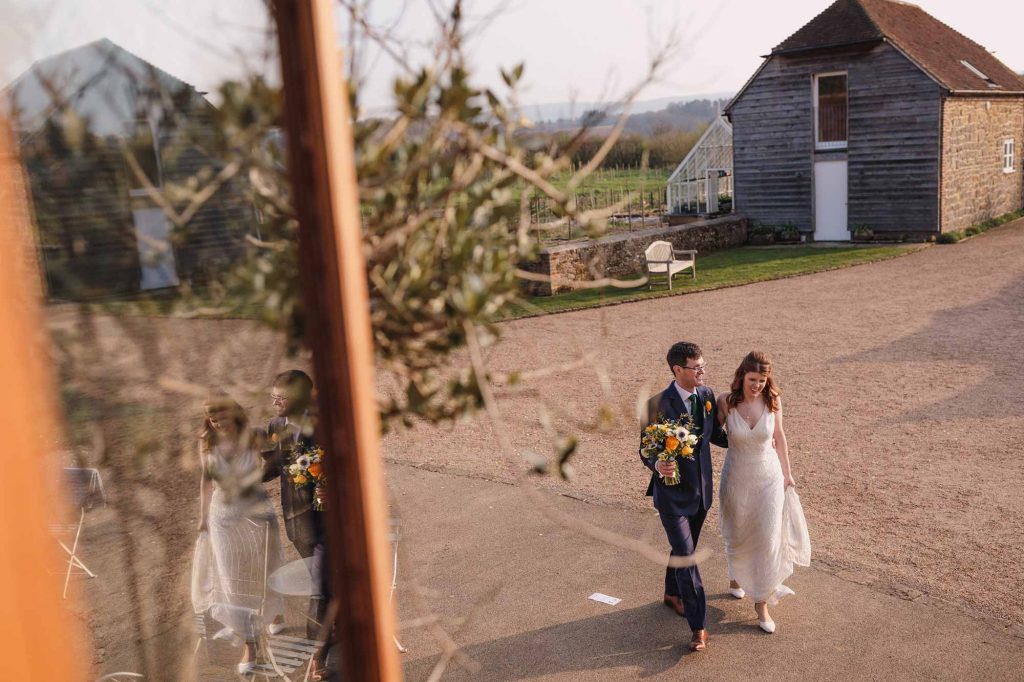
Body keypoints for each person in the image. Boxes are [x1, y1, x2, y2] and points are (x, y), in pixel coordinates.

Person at [640, 342, 728, 652]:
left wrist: (747, 440)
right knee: (688, 556)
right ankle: (698, 626)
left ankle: (671, 593)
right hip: (671, 496)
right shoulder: (655, 405)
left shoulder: (706, 395)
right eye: (697, 367)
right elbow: (645, 449)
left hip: (701, 492)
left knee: (682, 548)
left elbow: (713, 436)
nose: (703, 371)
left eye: (703, 365)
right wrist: (657, 464)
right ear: (678, 370)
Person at [716, 351, 811, 633]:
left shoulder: (772, 401)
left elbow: (779, 437)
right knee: (737, 533)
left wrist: (788, 474)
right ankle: (736, 575)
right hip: (736, 477)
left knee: (767, 538)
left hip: (768, 478)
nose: (757, 385)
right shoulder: (725, 402)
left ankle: (761, 603)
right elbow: (709, 433)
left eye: (762, 380)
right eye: (753, 379)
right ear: (742, 376)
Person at [191, 396, 285, 675]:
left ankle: (275, 610)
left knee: (267, 567)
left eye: (222, 417)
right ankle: (250, 644)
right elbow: (206, 480)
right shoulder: (206, 442)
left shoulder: (255, 434)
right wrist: (203, 517)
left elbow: (278, 459)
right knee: (233, 581)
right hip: (223, 518)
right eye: (213, 419)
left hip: (257, 511)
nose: (218, 423)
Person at [261, 369, 331, 674]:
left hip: (329, 524)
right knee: (327, 585)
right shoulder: (276, 426)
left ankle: (318, 654)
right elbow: (273, 466)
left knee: (319, 588)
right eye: (273, 397)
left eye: (281, 398)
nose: (275, 403)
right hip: (297, 524)